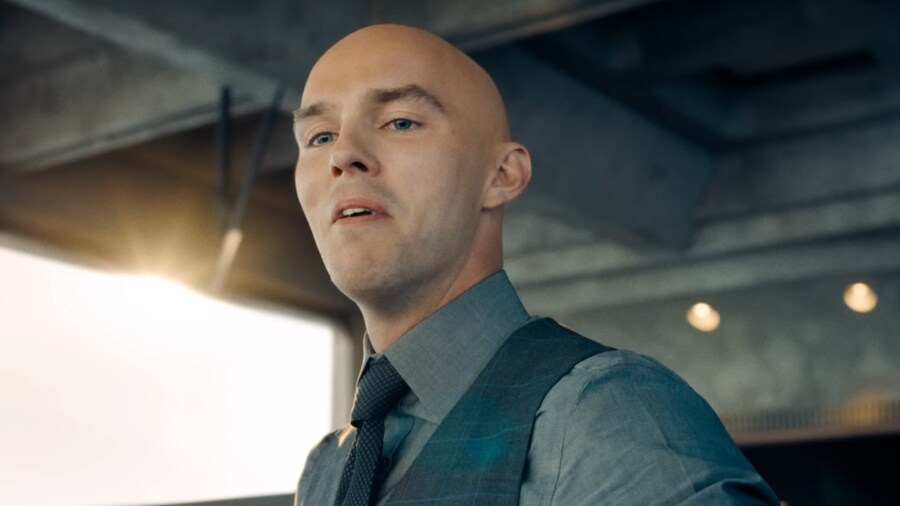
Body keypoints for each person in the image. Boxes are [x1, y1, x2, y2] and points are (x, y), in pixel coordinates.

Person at [292, 23, 779, 506]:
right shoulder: (326, 470)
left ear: (502, 174)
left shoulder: (605, 413)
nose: (343, 154)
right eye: (319, 136)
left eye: (400, 122)